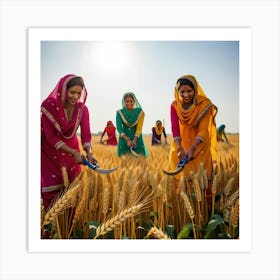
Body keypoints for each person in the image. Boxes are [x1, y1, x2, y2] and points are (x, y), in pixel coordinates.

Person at [41, 74, 96, 210]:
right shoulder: (48, 106)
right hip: (50, 154)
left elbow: (86, 134)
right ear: (63, 90)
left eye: (79, 93)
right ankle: (51, 229)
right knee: (51, 198)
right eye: (72, 92)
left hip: (72, 156)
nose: (76, 97)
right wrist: (73, 152)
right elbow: (51, 137)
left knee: (72, 195)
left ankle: (69, 230)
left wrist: (89, 153)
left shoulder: (82, 109)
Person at [168, 74, 218, 180]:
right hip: (181, 145)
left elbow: (204, 129)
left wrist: (193, 148)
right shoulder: (175, 105)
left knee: (202, 181)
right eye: (182, 92)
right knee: (182, 181)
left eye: (189, 91)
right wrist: (179, 148)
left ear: (195, 90)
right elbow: (175, 127)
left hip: (199, 145)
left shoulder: (204, 104)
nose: (186, 95)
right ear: (178, 92)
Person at [116, 92, 148, 157]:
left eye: (131, 101)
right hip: (124, 137)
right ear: (124, 102)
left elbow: (139, 127)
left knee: (140, 160)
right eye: (127, 101)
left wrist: (134, 140)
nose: (129, 103)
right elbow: (119, 128)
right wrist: (127, 139)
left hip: (137, 137)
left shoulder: (140, 112)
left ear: (134, 101)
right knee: (123, 161)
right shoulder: (119, 113)